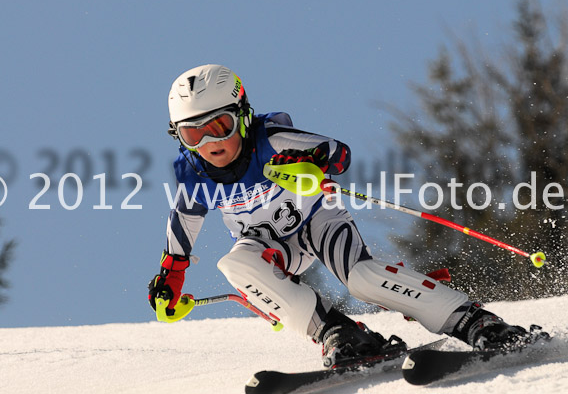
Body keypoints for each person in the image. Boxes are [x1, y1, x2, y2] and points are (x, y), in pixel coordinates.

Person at [148, 64, 530, 368]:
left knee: (361, 278)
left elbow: (338, 153)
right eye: (191, 135)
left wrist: (308, 160)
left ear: (242, 116)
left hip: (317, 221)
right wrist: (172, 272)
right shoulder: (194, 173)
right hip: (268, 245)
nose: (210, 143)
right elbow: (184, 219)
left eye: (219, 127)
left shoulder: (270, 139)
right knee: (234, 263)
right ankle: (341, 334)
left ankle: (473, 321)